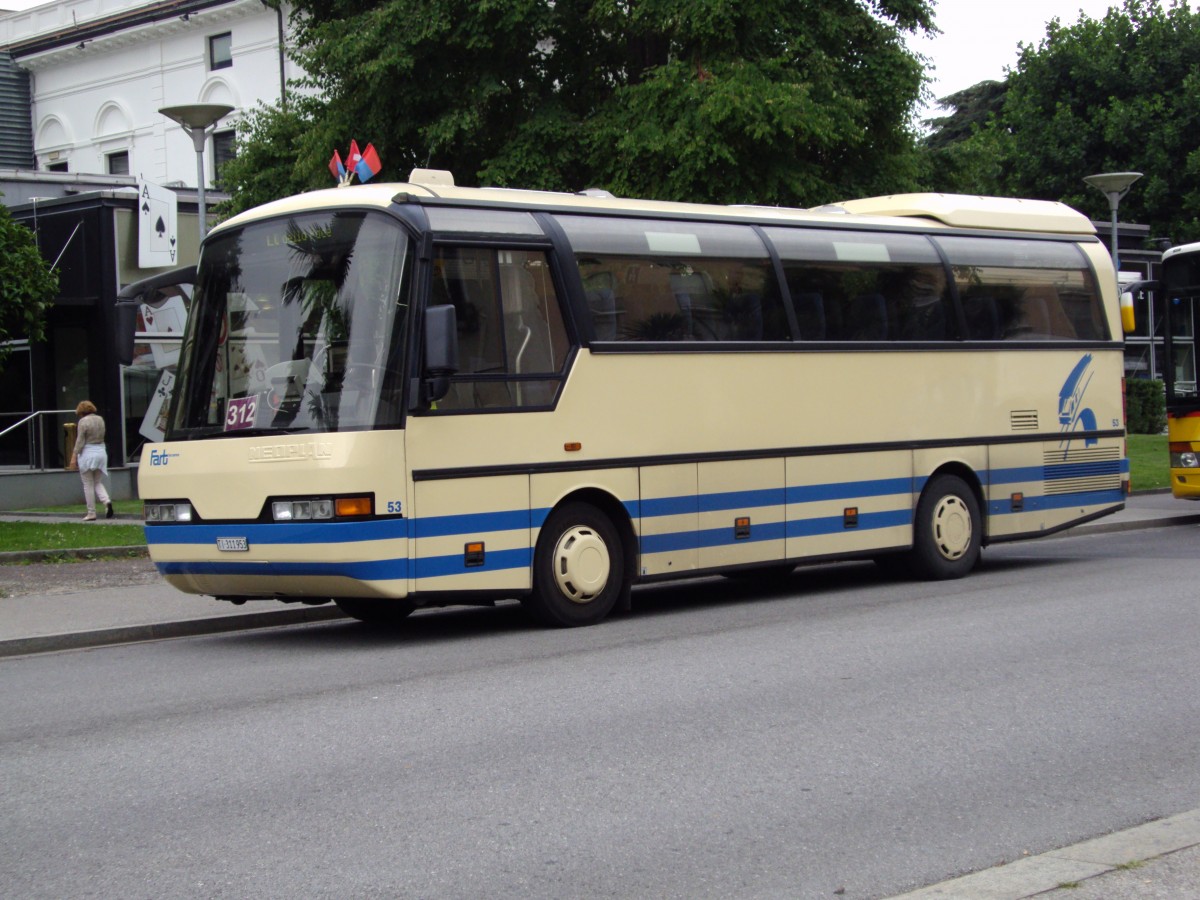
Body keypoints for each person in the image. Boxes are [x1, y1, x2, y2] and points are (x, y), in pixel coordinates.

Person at [69, 400, 112, 522]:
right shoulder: (100, 419)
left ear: (81, 412)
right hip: (101, 451)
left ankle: (91, 512)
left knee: (88, 483)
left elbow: (80, 441)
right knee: (97, 481)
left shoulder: (83, 422)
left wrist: (73, 457)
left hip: (87, 452)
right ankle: (106, 501)